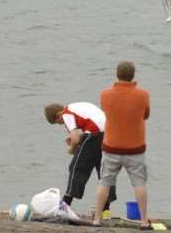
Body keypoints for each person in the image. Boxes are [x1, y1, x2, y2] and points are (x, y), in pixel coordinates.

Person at [92, 61, 151, 229]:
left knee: (105, 182)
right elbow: (146, 115)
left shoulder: (105, 94)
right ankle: (144, 221)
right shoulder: (143, 95)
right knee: (139, 183)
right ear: (133, 75)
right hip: (135, 148)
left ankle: (97, 219)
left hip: (111, 147)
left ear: (116, 74)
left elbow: (106, 111)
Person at [44, 102, 117, 218]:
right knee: (104, 171)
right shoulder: (76, 107)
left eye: (59, 122)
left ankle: (65, 205)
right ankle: (106, 210)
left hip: (95, 135)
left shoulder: (66, 113)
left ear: (59, 115)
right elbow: (93, 124)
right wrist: (79, 138)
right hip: (109, 134)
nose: (61, 124)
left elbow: (76, 140)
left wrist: (72, 149)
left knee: (76, 167)